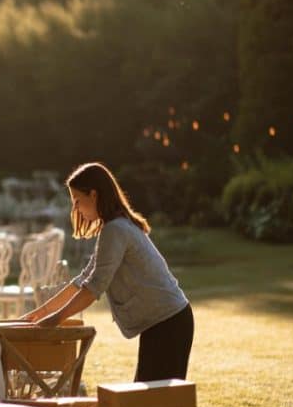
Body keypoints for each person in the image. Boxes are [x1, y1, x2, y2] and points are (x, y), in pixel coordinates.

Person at [21, 162, 193, 381]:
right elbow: (83, 279)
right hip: (165, 322)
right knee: (146, 402)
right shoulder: (114, 227)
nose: (76, 209)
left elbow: (94, 288)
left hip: (169, 322)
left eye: (78, 201)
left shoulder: (116, 229)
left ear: (93, 195)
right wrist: (41, 312)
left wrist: (55, 319)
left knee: (154, 405)